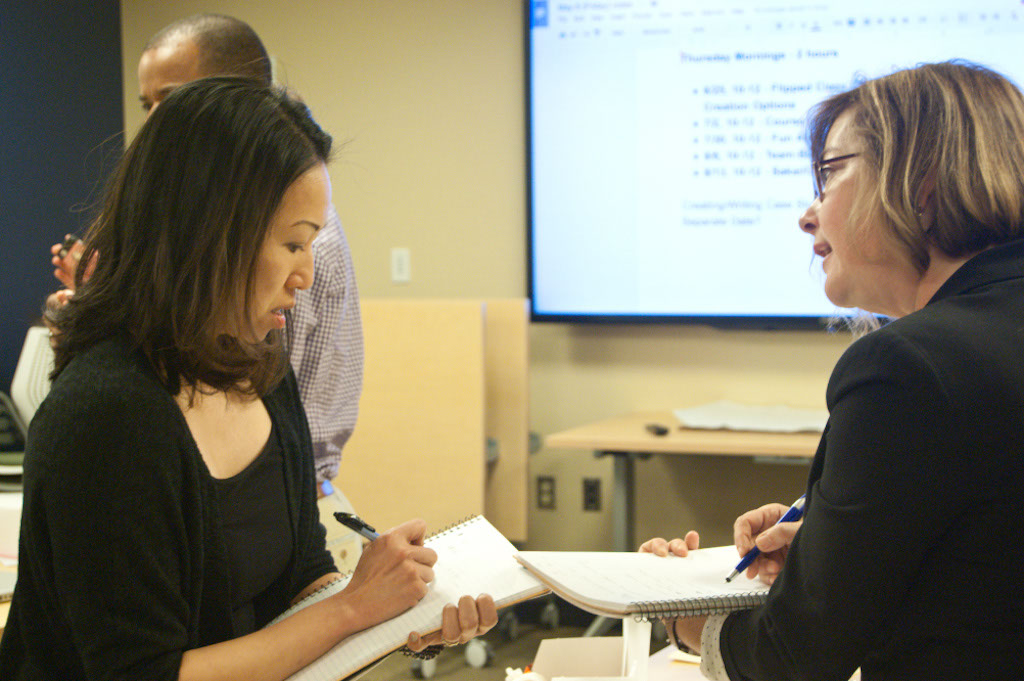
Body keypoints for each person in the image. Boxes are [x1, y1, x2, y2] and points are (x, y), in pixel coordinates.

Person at [0, 77, 495, 681]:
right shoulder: (105, 415)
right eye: (292, 244)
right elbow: (143, 672)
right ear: (209, 233)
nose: (306, 275)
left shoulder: (260, 368)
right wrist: (350, 608)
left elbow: (299, 580)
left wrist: (394, 615)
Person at [640, 61, 1024, 680]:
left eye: (830, 175)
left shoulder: (906, 366)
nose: (807, 215)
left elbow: (796, 660)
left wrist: (682, 616)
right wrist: (835, 551)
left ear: (922, 190)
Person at [49, 13, 360, 490]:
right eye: (147, 103)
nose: (156, 123)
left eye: (171, 100)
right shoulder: (117, 407)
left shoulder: (267, 377)